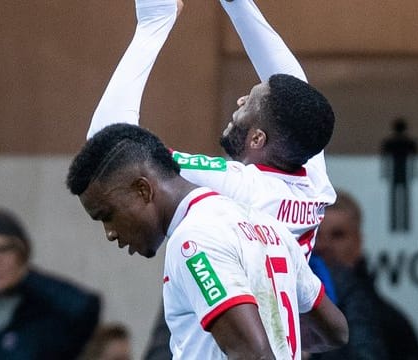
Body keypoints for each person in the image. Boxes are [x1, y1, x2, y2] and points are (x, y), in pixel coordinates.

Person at [86, 0, 337, 356]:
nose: (238, 101)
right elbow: (294, 83)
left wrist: (153, 24)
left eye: (248, 103)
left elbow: (108, 144)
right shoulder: (313, 184)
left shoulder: (241, 190)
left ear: (257, 139)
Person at [67, 123, 348, 358]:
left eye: (107, 215)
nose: (110, 232)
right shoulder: (267, 224)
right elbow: (335, 329)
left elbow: (254, 354)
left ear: (143, 189)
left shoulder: (192, 240)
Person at [0, 208, 101, 360]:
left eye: (1, 250)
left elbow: (85, 307)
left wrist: (27, 276)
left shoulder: (46, 318)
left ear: (21, 252)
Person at [314, 190, 418, 360]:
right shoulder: (286, 308)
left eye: (337, 235)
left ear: (358, 242)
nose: (323, 245)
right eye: (315, 234)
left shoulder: (392, 325)